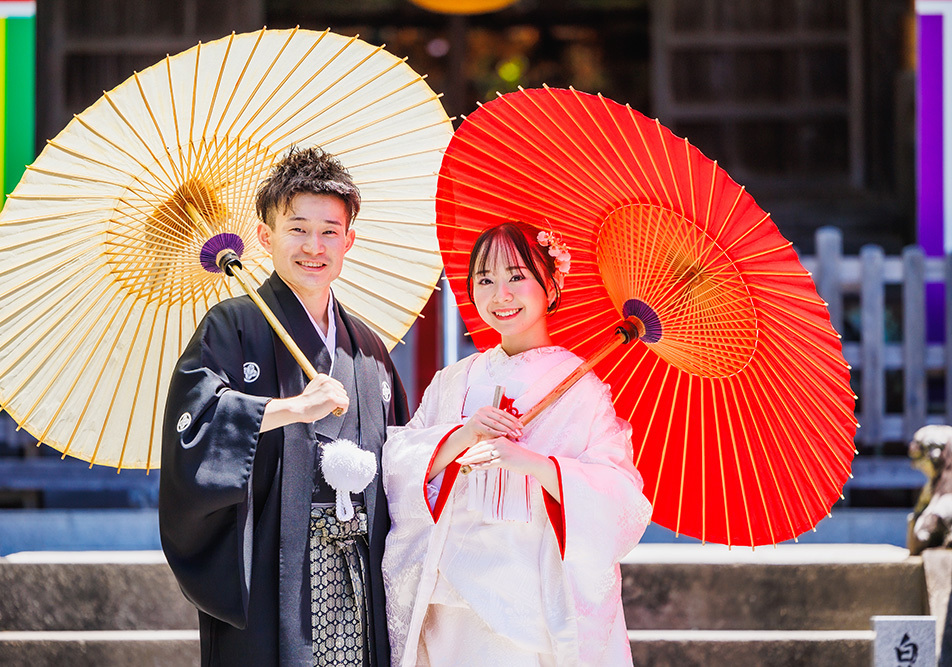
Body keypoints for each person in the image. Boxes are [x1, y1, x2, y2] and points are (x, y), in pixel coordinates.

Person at [160, 146, 408, 667]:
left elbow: (404, 461)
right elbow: (195, 432)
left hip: (360, 573)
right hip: (278, 568)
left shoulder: (367, 347)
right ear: (265, 235)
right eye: (297, 229)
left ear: (350, 240)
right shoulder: (230, 327)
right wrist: (290, 408)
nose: (313, 246)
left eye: (329, 231)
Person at [381, 221, 652, 666]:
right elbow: (398, 462)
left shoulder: (583, 389)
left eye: (516, 277)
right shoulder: (454, 380)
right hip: (449, 598)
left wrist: (534, 463)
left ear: (551, 284)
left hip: (535, 601)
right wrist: (460, 436)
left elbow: (619, 495)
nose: (499, 294)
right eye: (484, 280)